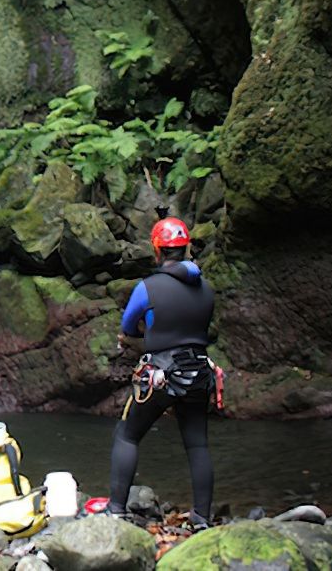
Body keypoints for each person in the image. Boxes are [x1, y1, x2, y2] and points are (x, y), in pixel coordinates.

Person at [106, 217, 217, 529]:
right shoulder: (207, 289)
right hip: (198, 372)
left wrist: (139, 334)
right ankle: (201, 518)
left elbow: (128, 326)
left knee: (127, 435)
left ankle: (116, 510)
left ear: (157, 250)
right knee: (197, 444)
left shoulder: (148, 288)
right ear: (186, 248)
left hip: (161, 374)